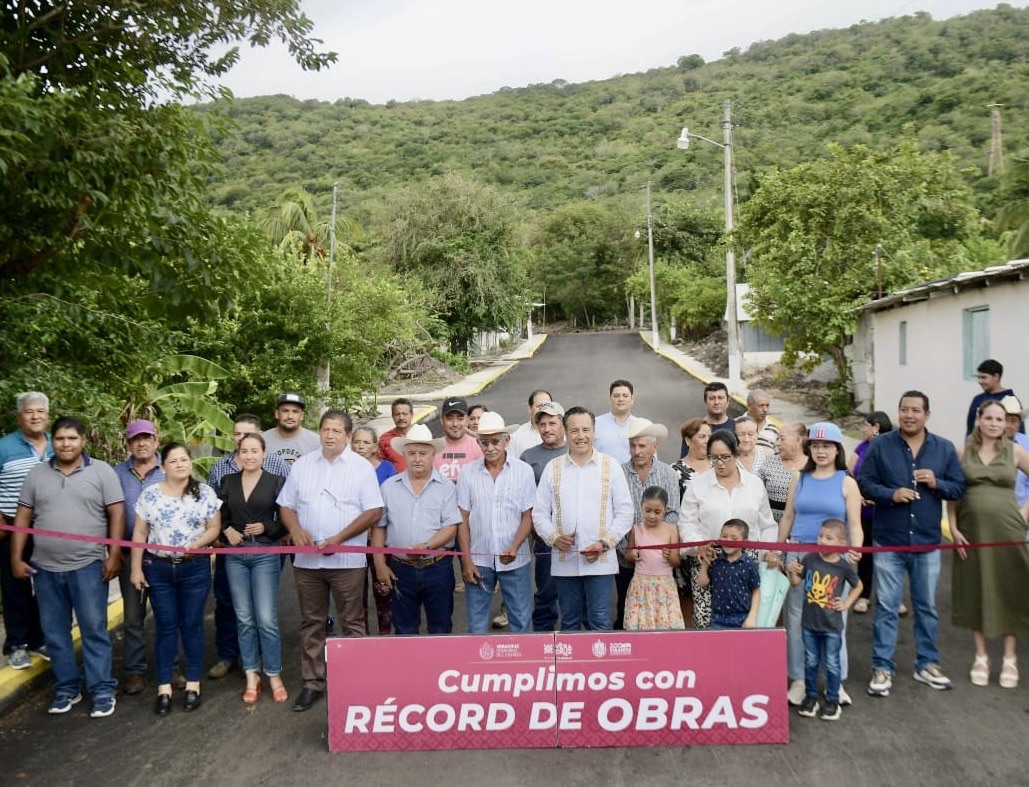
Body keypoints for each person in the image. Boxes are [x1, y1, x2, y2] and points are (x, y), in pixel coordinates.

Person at [10, 416, 124, 717]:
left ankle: (102, 689)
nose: (66, 444)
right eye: (60, 438)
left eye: (72, 438)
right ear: (53, 441)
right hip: (45, 570)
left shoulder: (102, 471)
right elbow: (23, 517)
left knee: (93, 629)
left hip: (88, 566)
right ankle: (67, 688)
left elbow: (116, 513)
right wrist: (16, 558)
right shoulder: (37, 475)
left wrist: (114, 554)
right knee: (55, 633)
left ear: (83, 440)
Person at [858, 391, 965, 698]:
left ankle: (927, 664)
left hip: (927, 542)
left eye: (916, 410)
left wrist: (937, 483)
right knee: (886, 607)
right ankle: (882, 666)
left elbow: (958, 488)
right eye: (904, 409)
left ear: (926, 414)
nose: (909, 415)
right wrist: (891, 494)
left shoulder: (944, 448)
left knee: (926, 607)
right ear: (899, 412)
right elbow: (864, 482)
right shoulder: (881, 445)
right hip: (889, 541)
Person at [277, 410, 384, 712]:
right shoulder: (303, 465)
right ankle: (313, 683)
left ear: (348, 436)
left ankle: (356, 683)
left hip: (347, 561)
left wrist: (340, 538)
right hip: (307, 563)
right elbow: (285, 505)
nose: (330, 435)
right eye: (326, 429)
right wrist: (295, 529)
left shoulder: (361, 468)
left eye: (337, 431)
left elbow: (374, 511)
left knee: (352, 622)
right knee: (312, 622)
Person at [767, 422, 862, 707]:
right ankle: (799, 679)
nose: (821, 451)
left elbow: (854, 525)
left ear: (837, 449)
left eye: (827, 446)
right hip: (800, 555)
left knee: (835, 618)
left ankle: (836, 681)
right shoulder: (800, 478)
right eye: (816, 446)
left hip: (834, 561)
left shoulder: (847, 482)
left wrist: (855, 551)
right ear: (809, 448)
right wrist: (778, 549)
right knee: (796, 618)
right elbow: (788, 517)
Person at [131, 443, 222, 716]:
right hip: (158, 569)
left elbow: (214, 527)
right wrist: (136, 569)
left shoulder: (204, 493)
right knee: (165, 626)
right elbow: (140, 533)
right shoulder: (150, 495)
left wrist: (197, 544)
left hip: (194, 569)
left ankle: (193, 684)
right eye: (174, 461)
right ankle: (164, 688)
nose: (180, 464)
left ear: (190, 463)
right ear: (163, 467)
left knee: (192, 625)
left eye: (184, 460)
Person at [948, 400, 1029, 690]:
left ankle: (1009, 658)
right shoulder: (963, 451)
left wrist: (1023, 516)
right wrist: (953, 527)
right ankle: (981, 657)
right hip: (971, 531)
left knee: (1010, 589)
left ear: (1006, 423)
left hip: (1008, 530)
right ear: (979, 420)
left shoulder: (1015, 451)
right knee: (975, 588)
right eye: (990, 418)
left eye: (1000, 419)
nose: (995, 423)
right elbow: (953, 492)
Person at [533, 407, 633, 631]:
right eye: (574, 430)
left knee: (599, 620)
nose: (581, 436)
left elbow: (625, 512)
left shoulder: (610, 466)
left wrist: (604, 543)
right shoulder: (553, 468)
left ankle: (601, 657)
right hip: (564, 561)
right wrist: (553, 537)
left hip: (601, 561)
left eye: (586, 430)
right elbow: (539, 513)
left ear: (594, 431)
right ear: (566, 433)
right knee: (569, 620)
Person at [206, 413, 290, 680]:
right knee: (232, 607)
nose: (247, 451)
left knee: (265, 615)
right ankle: (235, 661)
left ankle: (270, 668)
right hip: (233, 553)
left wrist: (268, 528)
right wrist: (224, 530)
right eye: (238, 438)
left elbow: (287, 515)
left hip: (266, 551)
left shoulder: (277, 474)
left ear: (263, 448)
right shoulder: (223, 474)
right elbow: (213, 512)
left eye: (253, 447)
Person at [679, 429, 776, 629]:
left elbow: (767, 524)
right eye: (714, 458)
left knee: (746, 621)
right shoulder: (698, 485)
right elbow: (687, 523)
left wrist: (769, 552)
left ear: (736, 454)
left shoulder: (754, 484)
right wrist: (698, 546)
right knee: (706, 623)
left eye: (725, 457)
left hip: (745, 562)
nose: (720, 463)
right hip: (708, 559)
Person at [372, 424, 461, 635]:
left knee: (440, 629)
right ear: (404, 455)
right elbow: (379, 527)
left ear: (433, 455)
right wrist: (380, 565)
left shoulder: (447, 487)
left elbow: (451, 527)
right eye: (411, 453)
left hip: (437, 568)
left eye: (423, 453)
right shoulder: (389, 487)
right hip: (400, 569)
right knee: (404, 630)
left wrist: (428, 546)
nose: (417, 458)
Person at [457, 412, 536, 633]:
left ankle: (524, 657)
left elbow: (528, 515)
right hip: (479, 559)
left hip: (515, 560)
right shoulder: (467, 473)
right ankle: (478, 658)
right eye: (484, 442)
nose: (490, 447)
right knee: (476, 624)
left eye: (495, 441)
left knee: (521, 620)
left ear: (506, 440)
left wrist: (515, 546)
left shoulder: (523, 471)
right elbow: (462, 519)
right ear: (478, 443)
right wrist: (466, 561)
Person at [788, 519, 863, 722]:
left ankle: (833, 699)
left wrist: (846, 603)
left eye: (828, 538)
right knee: (810, 661)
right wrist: (792, 572)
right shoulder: (810, 559)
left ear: (841, 543)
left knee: (832, 663)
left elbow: (858, 586)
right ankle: (811, 697)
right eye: (820, 536)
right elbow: (796, 583)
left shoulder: (843, 566)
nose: (822, 540)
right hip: (809, 624)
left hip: (832, 626)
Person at [112, 419, 165, 695]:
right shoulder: (115, 474)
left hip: (163, 556)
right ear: (128, 443)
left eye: (147, 438)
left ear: (156, 440)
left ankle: (171, 667)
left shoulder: (170, 468)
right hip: (128, 555)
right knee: (133, 617)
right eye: (135, 439)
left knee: (167, 615)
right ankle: (135, 670)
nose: (141, 443)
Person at [0, 391, 51, 669]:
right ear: (19, 417)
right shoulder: (4, 447)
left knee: (46, 586)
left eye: (40, 411)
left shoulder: (59, 444)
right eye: (29, 412)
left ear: (48, 416)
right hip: (11, 528)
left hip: (50, 531)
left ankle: (38, 639)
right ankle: (16, 644)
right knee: (15, 585)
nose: (35, 417)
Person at [616, 419, 680, 630]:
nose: (637, 451)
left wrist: (656, 542)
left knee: (660, 615)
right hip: (627, 557)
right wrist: (627, 548)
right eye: (633, 446)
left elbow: (673, 513)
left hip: (660, 562)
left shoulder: (668, 474)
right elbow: (612, 514)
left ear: (655, 447)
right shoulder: (618, 473)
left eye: (642, 446)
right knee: (628, 611)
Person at [520, 401, 568, 632]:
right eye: (542, 424)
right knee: (546, 591)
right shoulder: (528, 456)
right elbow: (522, 499)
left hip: (576, 536)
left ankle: (578, 639)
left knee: (577, 594)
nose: (547, 428)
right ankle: (544, 637)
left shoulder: (576, 452)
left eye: (552, 423)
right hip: (544, 538)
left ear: (562, 424)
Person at [847, 411, 893, 615]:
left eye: (866, 425)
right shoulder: (862, 447)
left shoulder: (893, 447)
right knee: (865, 555)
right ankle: (864, 595)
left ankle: (890, 597)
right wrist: (858, 494)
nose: (863, 429)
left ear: (876, 427)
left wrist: (881, 495)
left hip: (886, 512)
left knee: (888, 556)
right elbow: (849, 472)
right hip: (864, 511)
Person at [352, 425, 396, 635]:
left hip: (380, 541)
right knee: (356, 595)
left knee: (383, 591)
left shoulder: (387, 469)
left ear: (375, 446)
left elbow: (390, 506)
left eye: (365, 442)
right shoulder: (345, 469)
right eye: (356, 442)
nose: (360, 446)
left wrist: (374, 527)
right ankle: (362, 639)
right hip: (353, 540)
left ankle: (384, 638)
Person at [623, 487, 684, 630]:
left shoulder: (671, 529)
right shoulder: (636, 529)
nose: (651, 516)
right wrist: (632, 555)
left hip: (664, 586)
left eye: (657, 512)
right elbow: (627, 556)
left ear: (665, 509)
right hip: (641, 586)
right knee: (641, 626)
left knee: (665, 626)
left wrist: (670, 556)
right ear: (641, 506)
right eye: (647, 510)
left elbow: (677, 561)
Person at [696, 519, 761, 630]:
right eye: (724, 536)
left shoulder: (749, 565)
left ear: (745, 542)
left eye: (734, 538)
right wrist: (706, 563)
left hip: (742, 618)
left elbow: (756, 591)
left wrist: (752, 616)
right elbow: (702, 583)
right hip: (717, 619)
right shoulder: (716, 562)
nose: (728, 541)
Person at [756, 422, 808, 526]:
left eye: (782, 439)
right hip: (770, 527)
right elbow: (756, 495)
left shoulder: (812, 465)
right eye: (777, 439)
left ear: (798, 440)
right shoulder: (769, 463)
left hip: (802, 527)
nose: (777, 443)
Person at [966, 359, 1020, 437]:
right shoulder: (977, 399)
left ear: (996, 377)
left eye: (984, 377)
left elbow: (1019, 432)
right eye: (979, 378)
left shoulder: (1011, 401)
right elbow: (970, 428)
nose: (980, 381)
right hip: (978, 443)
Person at [262, 392, 320, 467]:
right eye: (285, 411)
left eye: (295, 411)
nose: (290, 416)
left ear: (302, 416)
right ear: (277, 414)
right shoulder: (263, 440)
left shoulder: (316, 442)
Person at [434, 397, 483, 483]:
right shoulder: (433, 449)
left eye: (460, 418)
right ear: (441, 420)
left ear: (467, 421)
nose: (455, 424)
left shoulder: (480, 448)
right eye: (449, 418)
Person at [594, 379, 639, 465]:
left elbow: (651, 460)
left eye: (625, 396)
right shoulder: (595, 424)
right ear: (610, 399)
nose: (621, 399)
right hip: (602, 473)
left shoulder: (641, 426)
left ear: (632, 399)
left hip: (633, 473)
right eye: (616, 396)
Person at [999, 395, 1029, 510]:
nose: (1008, 425)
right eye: (1005, 420)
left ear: (1019, 424)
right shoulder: (988, 444)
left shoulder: (1027, 444)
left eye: (1013, 421)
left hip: (1022, 510)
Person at [507, 389, 552, 460]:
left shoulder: (562, 433)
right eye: (539, 406)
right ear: (529, 408)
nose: (543, 409)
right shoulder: (516, 436)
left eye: (548, 406)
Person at [378, 398, 414, 472]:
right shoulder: (385, 439)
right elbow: (380, 466)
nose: (401, 418)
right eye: (397, 414)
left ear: (411, 415)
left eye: (405, 414)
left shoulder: (421, 434)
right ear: (393, 416)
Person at [743, 389, 779, 454]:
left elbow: (777, 456)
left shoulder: (774, 430)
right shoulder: (735, 426)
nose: (765, 410)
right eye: (761, 406)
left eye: (767, 406)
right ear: (749, 406)